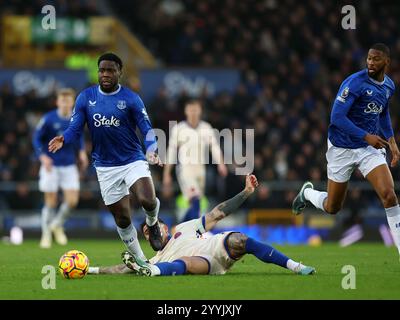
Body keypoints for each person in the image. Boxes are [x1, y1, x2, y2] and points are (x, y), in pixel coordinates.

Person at [48, 53, 164, 261]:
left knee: (147, 199)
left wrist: (151, 149)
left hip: (132, 159)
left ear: (119, 72)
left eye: (110, 70)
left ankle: (152, 223)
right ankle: (140, 260)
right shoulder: (85, 97)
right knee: (122, 218)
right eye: (102, 70)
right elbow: (75, 129)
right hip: (105, 166)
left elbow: (146, 128)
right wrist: (64, 138)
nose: (105, 74)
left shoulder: (131, 98)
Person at [292, 43, 400, 258]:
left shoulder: (388, 86)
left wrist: (391, 140)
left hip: (368, 149)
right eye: (369, 58)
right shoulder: (354, 83)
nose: (370, 62)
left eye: (376, 59)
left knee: (389, 196)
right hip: (341, 147)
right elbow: (337, 118)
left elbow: (383, 111)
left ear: (386, 62)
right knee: (333, 207)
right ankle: (307, 193)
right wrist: (366, 135)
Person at [88, 174, 316, 276]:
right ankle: (154, 273)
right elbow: (120, 268)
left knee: (241, 240)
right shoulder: (153, 258)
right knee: (184, 262)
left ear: (165, 227)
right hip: (202, 264)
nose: (150, 233)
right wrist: (90, 270)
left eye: (153, 227)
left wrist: (246, 192)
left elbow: (218, 214)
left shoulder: (185, 228)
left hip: (216, 248)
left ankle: (296, 266)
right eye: (146, 233)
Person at [33, 88, 88, 248]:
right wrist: (42, 157)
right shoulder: (48, 119)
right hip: (51, 165)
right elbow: (36, 139)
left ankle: (56, 224)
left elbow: (79, 139)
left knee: (72, 201)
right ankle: (45, 235)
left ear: (72, 102)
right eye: (62, 100)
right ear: (57, 102)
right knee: (51, 201)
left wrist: (82, 153)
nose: (65, 103)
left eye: (68, 100)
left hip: (69, 165)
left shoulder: (76, 119)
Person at [162, 99, 228, 222]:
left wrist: (221, 164)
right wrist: (167, 174)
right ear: (186, 111)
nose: (193, 112)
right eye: (191, 110)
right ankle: (193, 232)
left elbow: (214, 147)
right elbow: (171, 152)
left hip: (200, 169)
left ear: (200, 111)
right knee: (195, 197)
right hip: (185, 169)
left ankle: (180, 229)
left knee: (196, 203)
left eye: (196, 109)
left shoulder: (206, 127)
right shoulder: (178, 129)